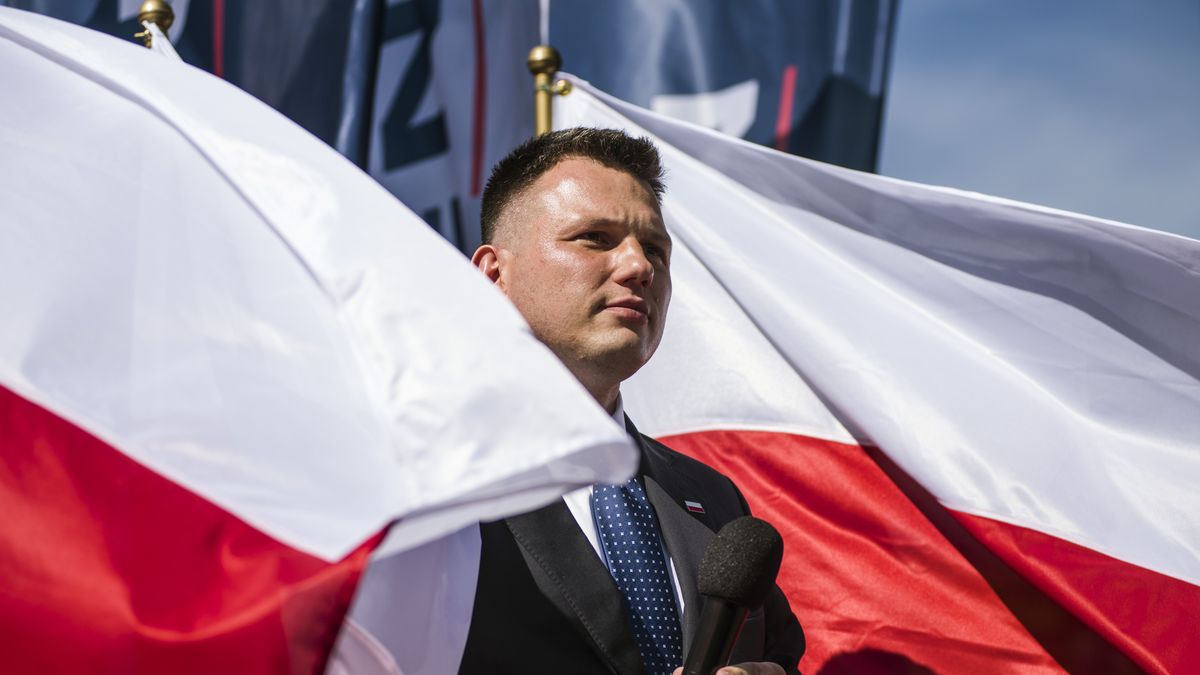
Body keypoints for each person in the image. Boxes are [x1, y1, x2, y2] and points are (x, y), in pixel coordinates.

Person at [460, 128, 804, 675]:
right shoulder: (422, 478)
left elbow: (781, 655)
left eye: (655, 249)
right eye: (595, 237)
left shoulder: (712, 499)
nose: (639, 266)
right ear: (494, 274)